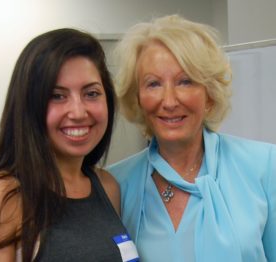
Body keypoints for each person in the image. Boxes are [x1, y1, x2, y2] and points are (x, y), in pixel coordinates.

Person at [107, 14, 276, 262]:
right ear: (138, 98)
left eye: (185, 81)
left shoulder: (264, 165)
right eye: (153, 84)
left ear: (209, 94)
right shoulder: (116, 184)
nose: (170, 101)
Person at [0, 28, 139, 262]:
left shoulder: (107, 186)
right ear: (29, 106)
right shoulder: (2, 194)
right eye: (57, 96)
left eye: (91, 93)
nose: (78, 112)